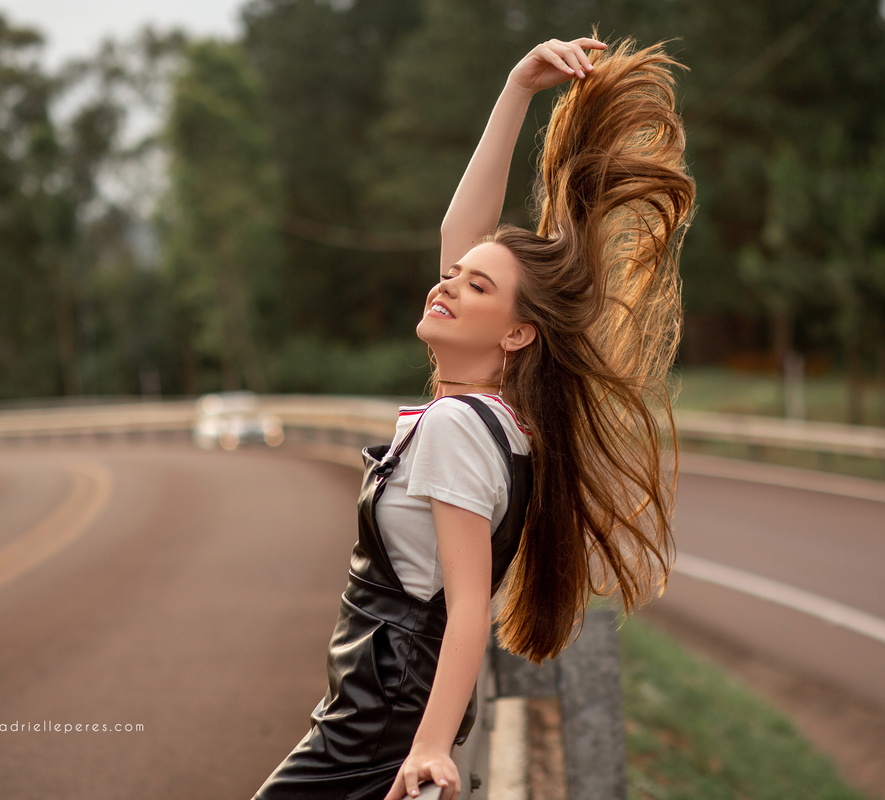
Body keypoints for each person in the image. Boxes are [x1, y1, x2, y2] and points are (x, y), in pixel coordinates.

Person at [253, 33, 694, 800]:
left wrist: (427, 748)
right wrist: (518, 88)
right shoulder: (495, 415)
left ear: (516, 334)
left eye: (475, 289)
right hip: (365, 716)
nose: (448, 283)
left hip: (378, 733)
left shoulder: (460, 430)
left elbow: (467, 606)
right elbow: (462, 236)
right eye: (452, 276)